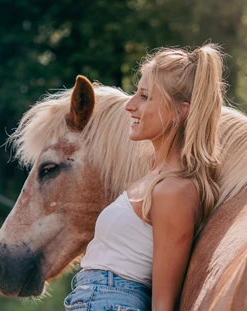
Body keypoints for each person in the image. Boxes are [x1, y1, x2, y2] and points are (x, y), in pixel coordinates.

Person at [64, 43, 225, 311]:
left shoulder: (174, 191)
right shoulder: (155, 178)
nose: (130, 105)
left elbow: (163, 302)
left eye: (145, 96)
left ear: (179, 111)